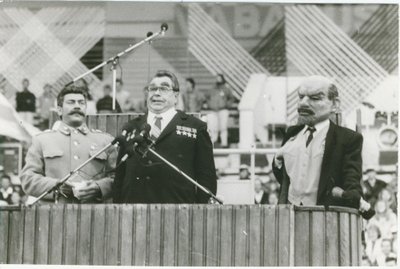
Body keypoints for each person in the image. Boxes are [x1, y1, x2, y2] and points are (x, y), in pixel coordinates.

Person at [113, 70, 217, 203]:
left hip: (178, 212)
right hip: (134, 212)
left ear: (176, 95)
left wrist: (201, 213)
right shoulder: (131, 126)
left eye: (163, 88)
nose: (156, 93)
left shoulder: (196, 127)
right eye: (152, 89)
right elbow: (119, 177)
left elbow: (206, 178)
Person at [273, 76, 367, 210]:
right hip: (289, 217)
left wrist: (353, 196)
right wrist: (277, 158)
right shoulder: (291, 133)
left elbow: (352, 181)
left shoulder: (348, 139)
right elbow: (285, 178)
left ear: (335, 104)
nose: (303, 103)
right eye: (301, 97)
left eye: (315, 98)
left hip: (325, 220)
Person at [20, 85, 117, 203]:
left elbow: (118, 177)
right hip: (51, 215)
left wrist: (99, 187)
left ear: (86, 109)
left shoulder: (105, 141)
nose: (77, 106)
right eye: (71, 102)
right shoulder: (42, 140)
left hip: (94, 215)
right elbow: (28, 178)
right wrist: (56, 186)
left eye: (81, 103)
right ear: (59, 110)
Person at [206, 74, 235, 147]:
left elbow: (231, 98)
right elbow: (207, 97)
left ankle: (224, 143)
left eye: (219, 78)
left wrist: (227, 105)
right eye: (217, 78)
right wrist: (210, 104)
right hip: (213, 110)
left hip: (223, 110)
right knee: (213, 127)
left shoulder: (226, 89)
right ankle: (213, 142)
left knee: (223, 127)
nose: (218, 80)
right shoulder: (212, 89)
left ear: (222, 79)